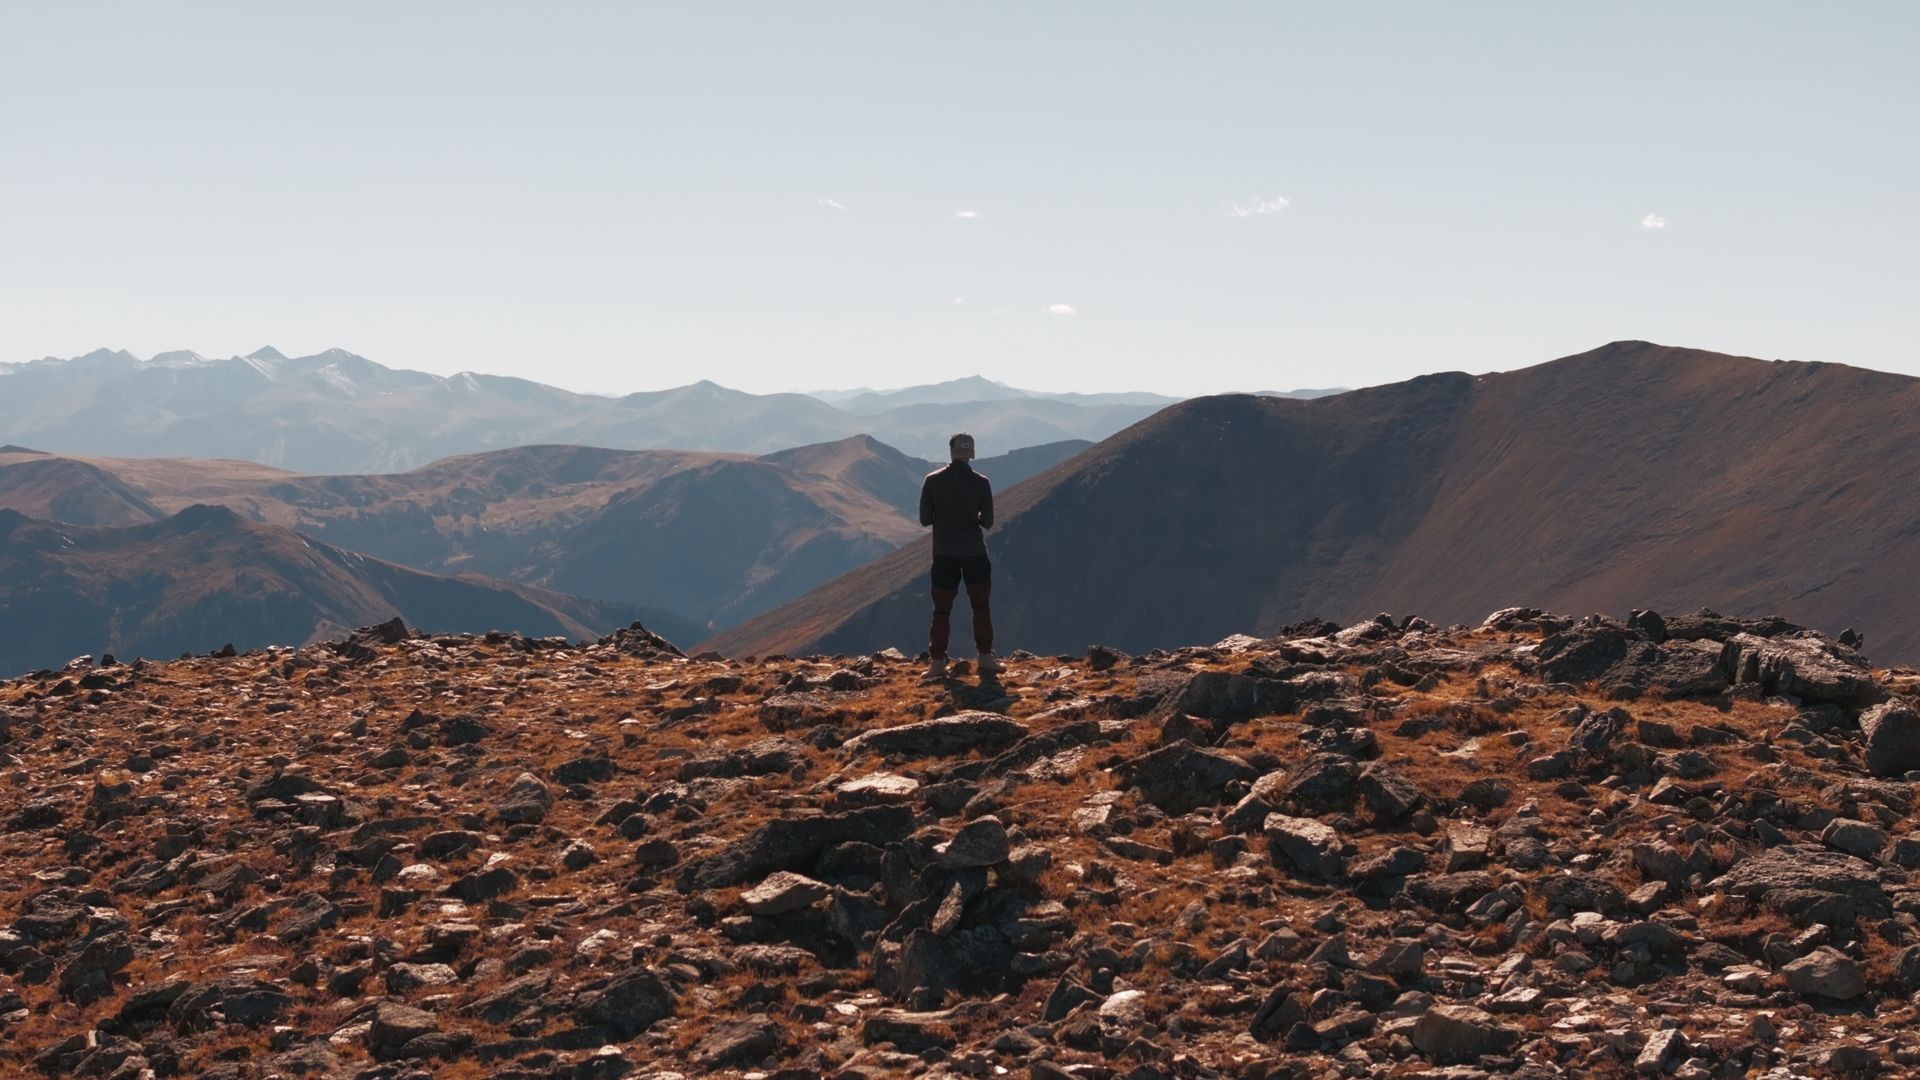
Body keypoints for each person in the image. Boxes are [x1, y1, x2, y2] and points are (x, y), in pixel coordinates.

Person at [920, 432, 998, 677]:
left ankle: (937, 663)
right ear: (972, 453)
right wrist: (970, 516)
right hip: (974, 553)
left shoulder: (932, 481)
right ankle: (985, 658)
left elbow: (924, 520)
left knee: (941, 609)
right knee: (981, 606)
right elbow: (988, 522)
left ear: (951, 451)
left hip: (944, 554)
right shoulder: (981, 482)